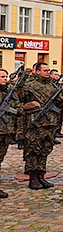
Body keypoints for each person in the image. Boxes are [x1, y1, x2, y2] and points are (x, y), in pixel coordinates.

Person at [20, 62, 63, 190]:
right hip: (36, 123)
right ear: (37, 71)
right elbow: (21, 100)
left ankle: (41, 175)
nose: (47, 72)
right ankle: (33, 177)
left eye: (48, 70)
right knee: (33, 150)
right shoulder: (30, 86)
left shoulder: (53, 86)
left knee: (45, 149)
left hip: (50, 122)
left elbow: (58, 103)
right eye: (45, 70)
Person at [0, 68, 18, 198]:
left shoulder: (9, 91)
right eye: (2, 76)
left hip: (6, 130)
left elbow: (16, 107)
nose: (5, 79)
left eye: (6, 76)